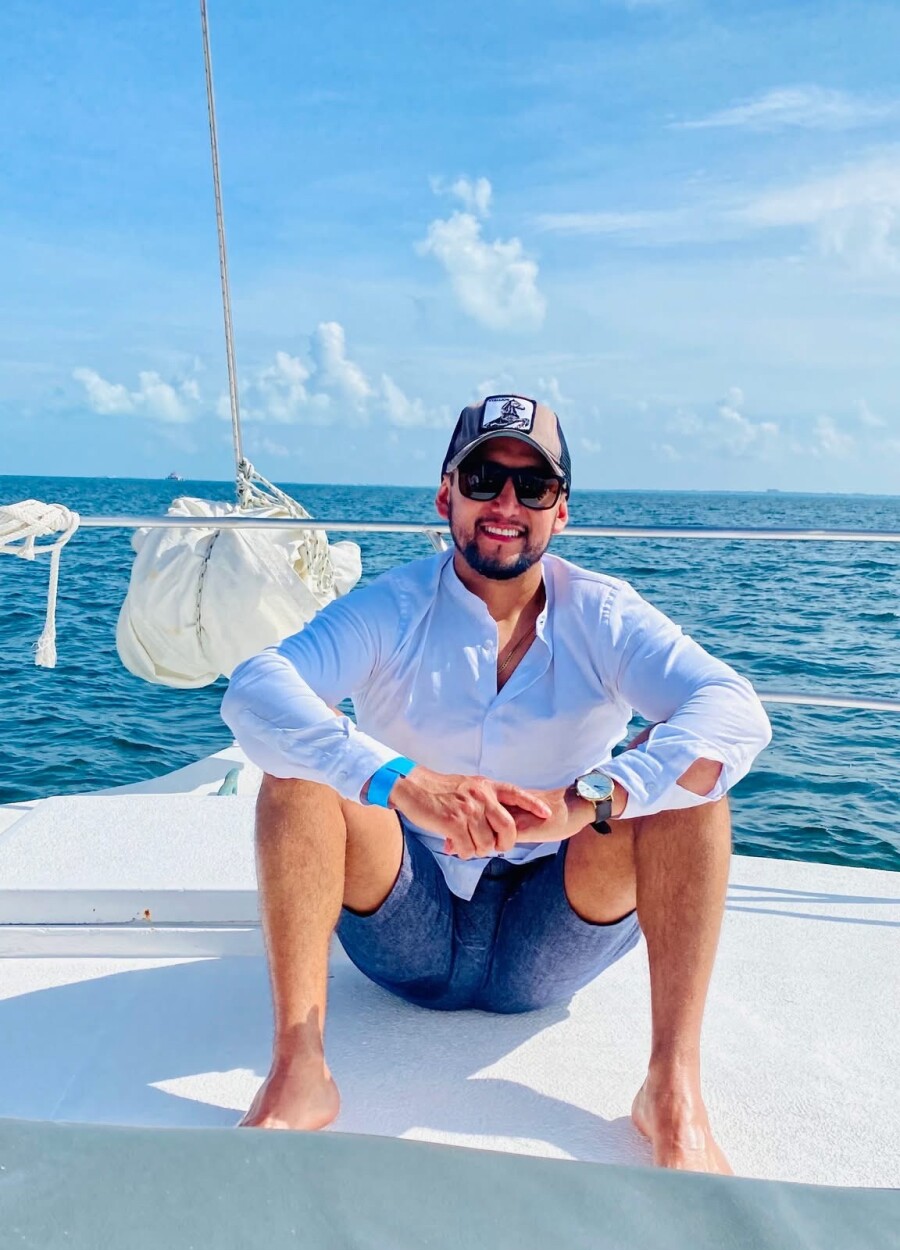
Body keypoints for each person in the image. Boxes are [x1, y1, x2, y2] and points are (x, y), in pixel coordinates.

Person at [221, 394, 771, 1173]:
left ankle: (672, 1089)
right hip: (405, 919)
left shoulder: (603, 615)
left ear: (561, 511)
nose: (506, 504)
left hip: (551, 928)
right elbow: (254, 690)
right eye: (484, 478)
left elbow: (734, 709)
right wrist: (406, 783)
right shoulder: (393, 608)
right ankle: (298, 1069)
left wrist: (581, 801)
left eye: (532, 485)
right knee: (299, 771)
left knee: (689, 780)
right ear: (446, 495)